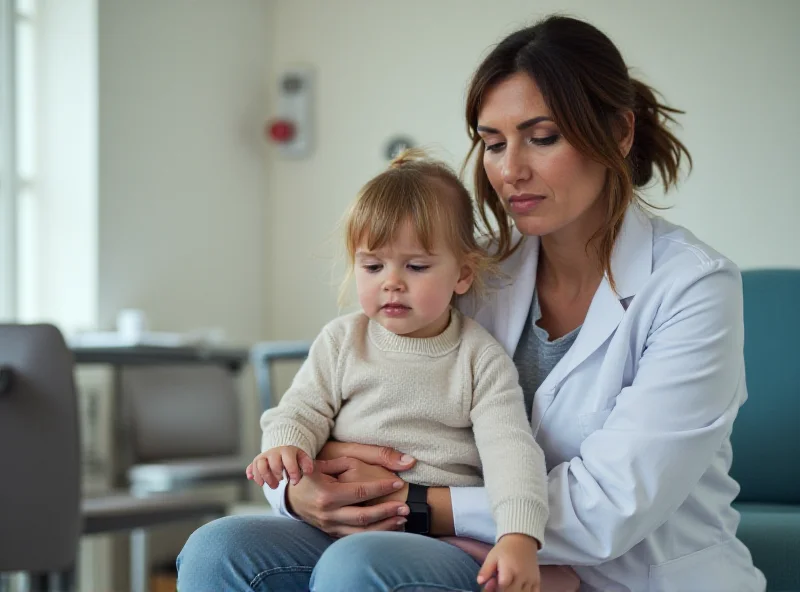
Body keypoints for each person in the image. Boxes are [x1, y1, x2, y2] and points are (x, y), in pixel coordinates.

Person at [177, 14, 767, 592]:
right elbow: (333, 401)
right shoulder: (466, 271)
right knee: (219, 551)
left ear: (618, 133)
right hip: (451, 548)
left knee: (361, 567)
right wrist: (300, 487)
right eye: (492, 143)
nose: (510, 170)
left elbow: (607, 508)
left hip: (608, 573)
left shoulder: (693, 289)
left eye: (542, 138)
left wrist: (406, 503)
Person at [246, 149, 558, 591]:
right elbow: (300, 411)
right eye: (373, 265)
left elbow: (511, 453)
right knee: (216, 543)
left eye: (416, 266)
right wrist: (285, 448)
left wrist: (518, 536)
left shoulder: (478, 358)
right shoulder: (341, 341)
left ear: (463, 274)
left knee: (357, 563)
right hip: (334, 525)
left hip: (436, 539)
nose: (391, 281)